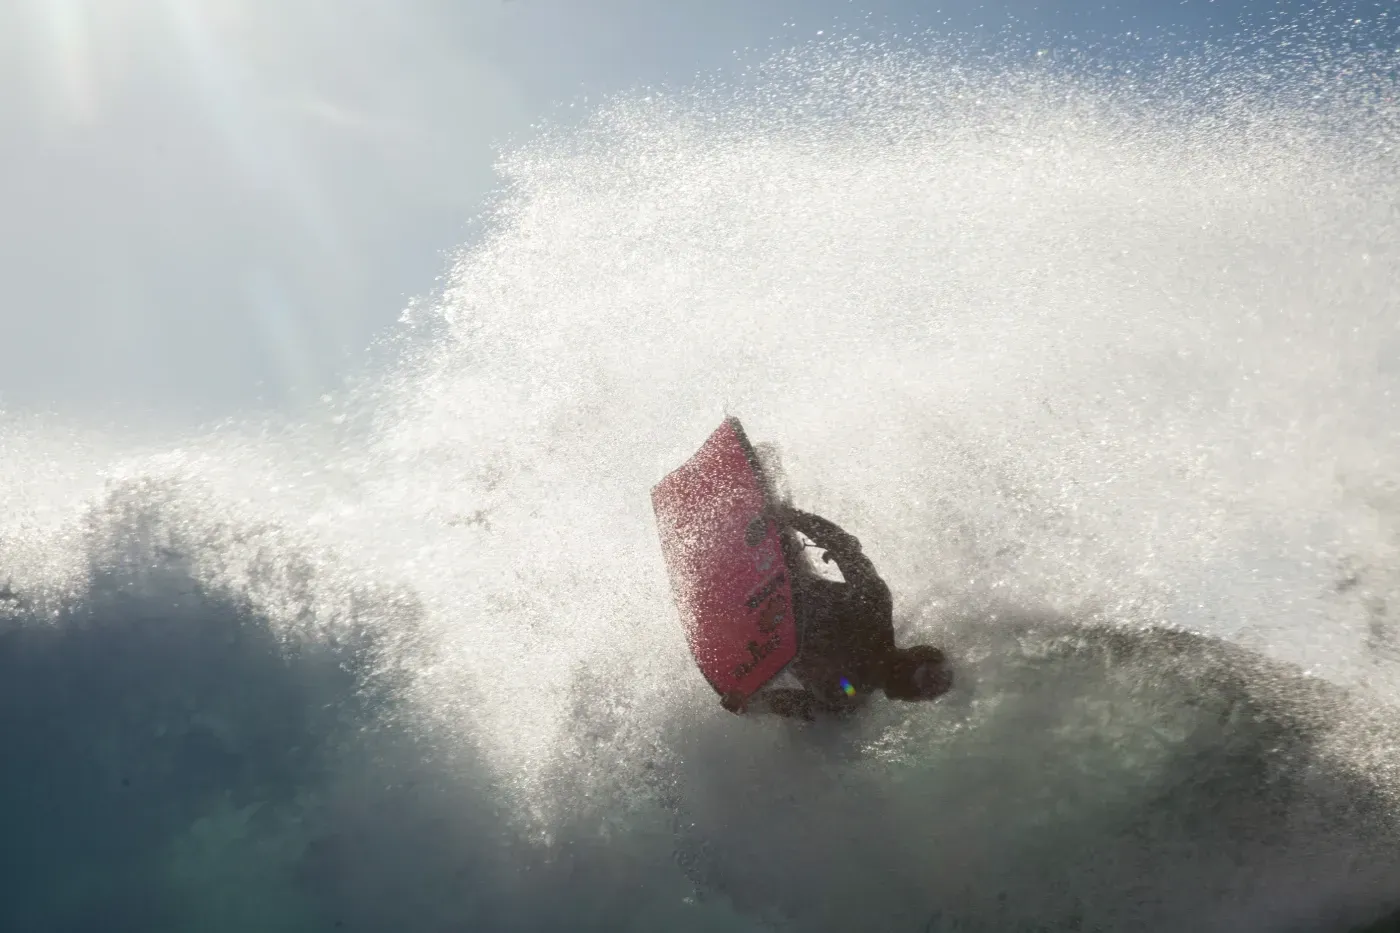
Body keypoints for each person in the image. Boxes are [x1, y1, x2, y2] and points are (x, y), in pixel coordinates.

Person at [719, 506, 952, 721]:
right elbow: (843, 545)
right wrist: (783, 514)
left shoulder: (846, 697)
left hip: (755, 636)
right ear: (910, 659)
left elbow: (794, 704)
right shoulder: (874, 609)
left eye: (926, 694)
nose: (918, 694)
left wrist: (748, 701)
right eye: (924, 680)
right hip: (780, 574)